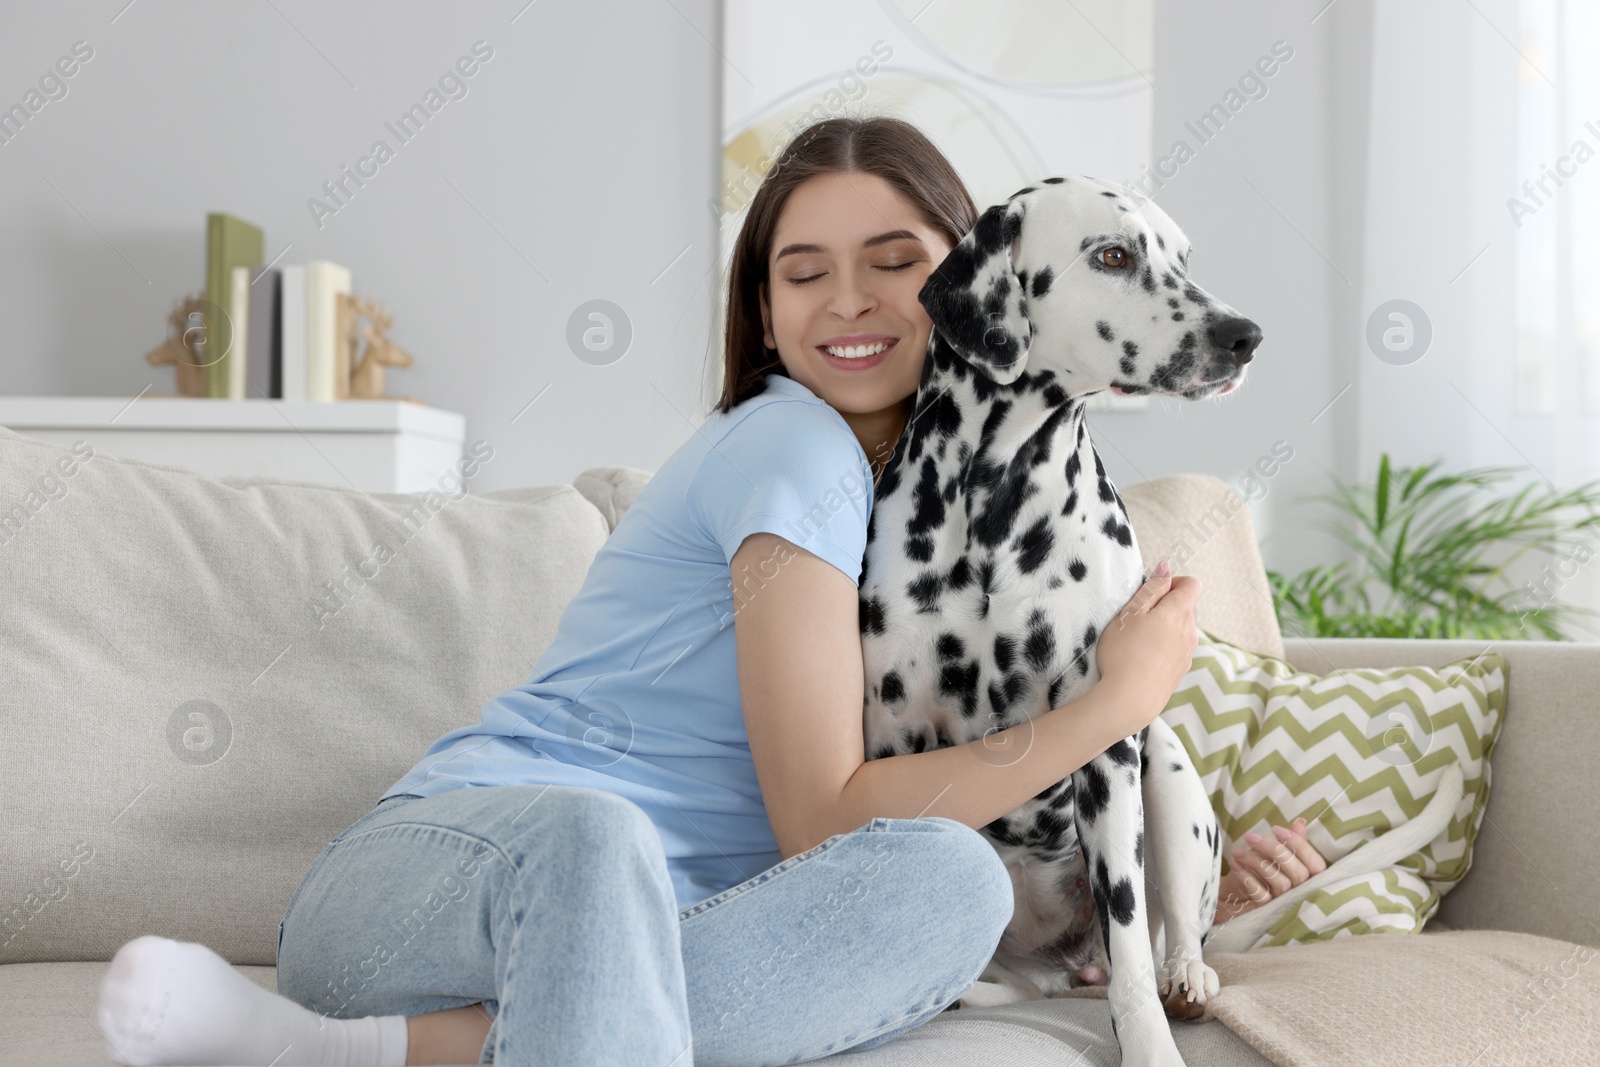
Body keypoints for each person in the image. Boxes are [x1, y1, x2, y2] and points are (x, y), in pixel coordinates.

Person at [93, 116, 1328, 1067]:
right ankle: (331, 1029)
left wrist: (1205, 864)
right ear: (764, 310)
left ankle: (343, 1053)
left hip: (645, 932)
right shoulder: (792, 452)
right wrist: (1105, 710)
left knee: (946, 884)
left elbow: (970, 781)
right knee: (601, 833)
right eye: (801, 273)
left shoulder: (930, 505)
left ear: (980, 284)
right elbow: (825, 821)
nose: (846, 300)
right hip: (434, 883)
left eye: (891, 263)